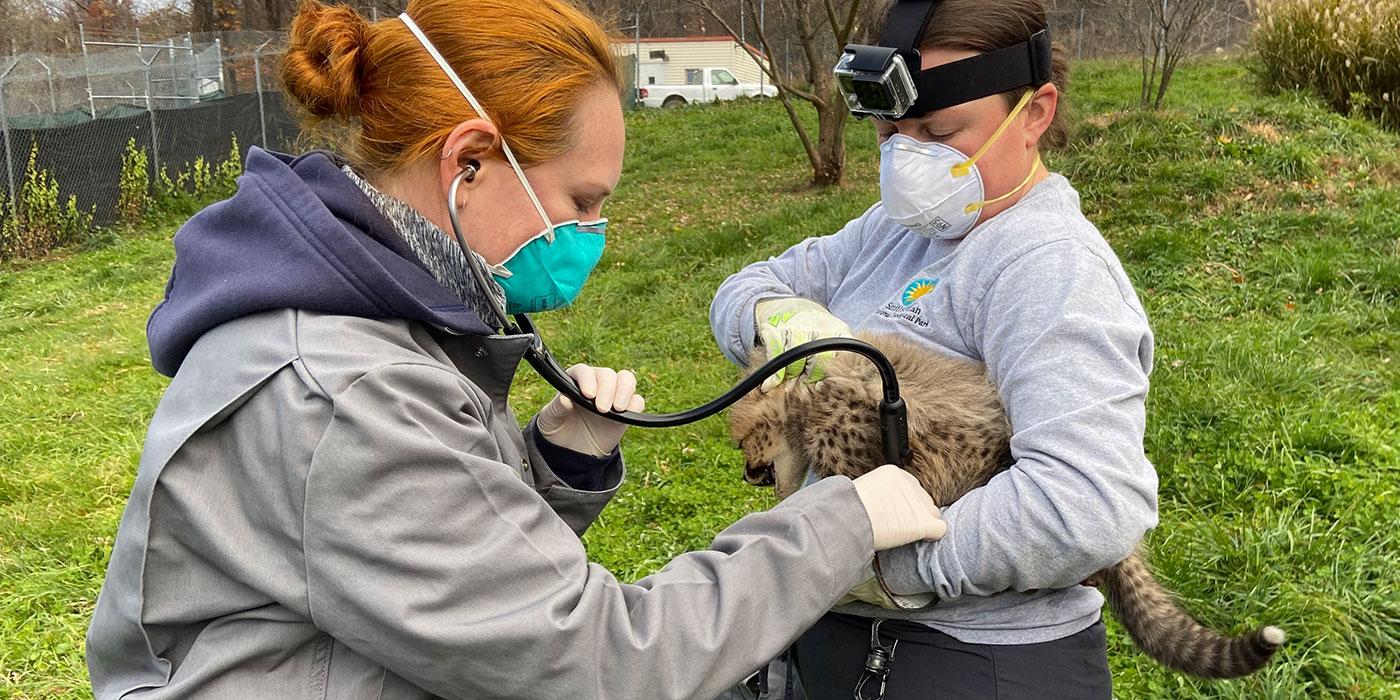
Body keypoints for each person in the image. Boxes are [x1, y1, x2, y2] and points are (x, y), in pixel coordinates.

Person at [83, 1, 947, 697]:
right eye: (578, 201)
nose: (589, 236)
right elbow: (600, 662)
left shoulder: (380, 319)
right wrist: (843, 520)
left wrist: (553, 465)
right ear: (469, 163)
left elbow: (427, 567)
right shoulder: (341, 390)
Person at [710, 1, 1159, 697]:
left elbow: (1086, 506)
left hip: (967, 661)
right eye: (891, 130)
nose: (909, 154)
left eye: (940, 131)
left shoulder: (1047, 267)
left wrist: (874, 562)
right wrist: (777, 318)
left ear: (1036, 113)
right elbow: (743, 288)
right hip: (841, 640)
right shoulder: (896, 231)